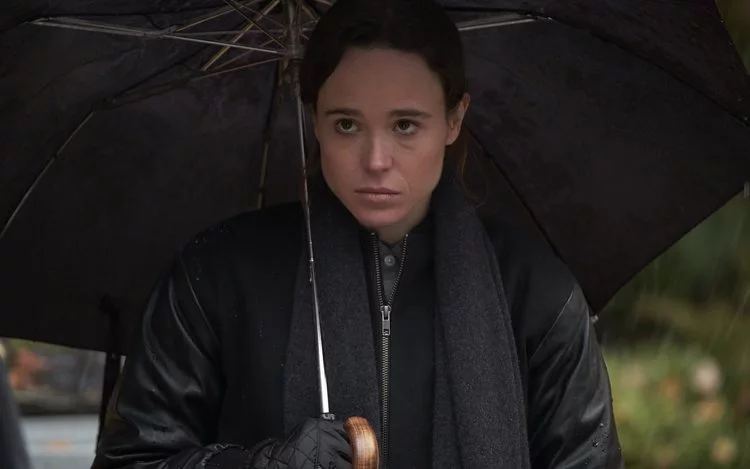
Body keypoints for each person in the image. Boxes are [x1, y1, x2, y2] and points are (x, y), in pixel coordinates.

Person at [92, 1, 623, 468]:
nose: (375, 160)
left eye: (405, 125)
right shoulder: (217, 275)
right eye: (346, 124)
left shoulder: (534, 292)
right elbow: (132, 459)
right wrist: (260, 465)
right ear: (314, 118)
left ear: (454, 118)